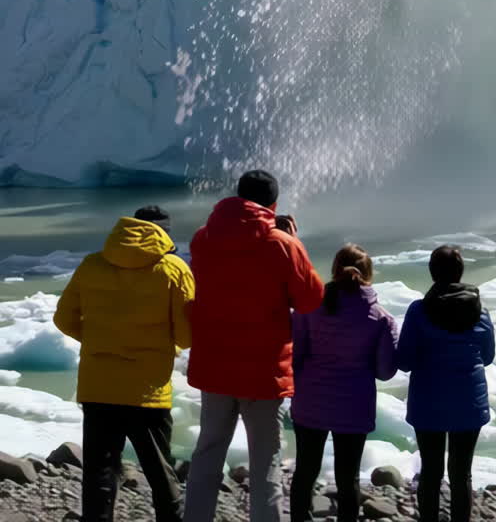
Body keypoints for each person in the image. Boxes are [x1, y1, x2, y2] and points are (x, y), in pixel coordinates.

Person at [184, 169, 325, 522]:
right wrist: (295, 241)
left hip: (214, 365)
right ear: (273, 203)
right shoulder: (281, 243)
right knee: (265, 464)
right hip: (264, 372)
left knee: (207, 453)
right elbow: (310, 299)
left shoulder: (203, 238)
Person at [53, 209, 195, 522]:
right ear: (164, 235)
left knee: (99, 472)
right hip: (148, 389)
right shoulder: (173, 269)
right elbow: (187, 336)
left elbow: (63, 318)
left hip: (98, 385)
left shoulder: (93, 264)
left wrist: (97, 340)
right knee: (161, 474)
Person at [290, 243, 399, 522]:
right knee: (347, 477)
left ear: (335, 270)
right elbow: (385, 371)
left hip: (310, 402)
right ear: (368, 274)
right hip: (353, 406)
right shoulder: (380, 318)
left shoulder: (309, 307)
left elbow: (295, 356)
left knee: (304, 471)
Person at [396, 245, 495, 522]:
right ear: (460, 272)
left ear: (432, 272)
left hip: (428, 402)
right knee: (462, 472)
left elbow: (404, 359)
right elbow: (487, 357)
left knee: (430, 471)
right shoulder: (480, 312)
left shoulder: (418, 312)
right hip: (468, 403)